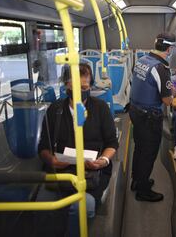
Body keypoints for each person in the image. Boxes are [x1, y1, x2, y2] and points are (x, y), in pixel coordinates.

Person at [37, 63, 118, 236]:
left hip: (91, 175)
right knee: (42, 203)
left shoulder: (100, 108)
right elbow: (44, 146)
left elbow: (112, 143)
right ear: (67, 86)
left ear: (90, 87)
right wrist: (50, 159)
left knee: (82, 206)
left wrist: (102, 161)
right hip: (61, 172)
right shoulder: (55, 111)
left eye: (84, 87)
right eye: (75, 87)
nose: (80, 91)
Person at [129, 32, 175, 202]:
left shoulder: (141, 60)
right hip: (149, 117)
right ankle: (143, 191)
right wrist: (172, 93)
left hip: (135, 110)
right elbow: (167, 101)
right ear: (169, 49)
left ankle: (137, 180)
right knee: (148, 153)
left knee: (139, 148)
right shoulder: (161, 69)